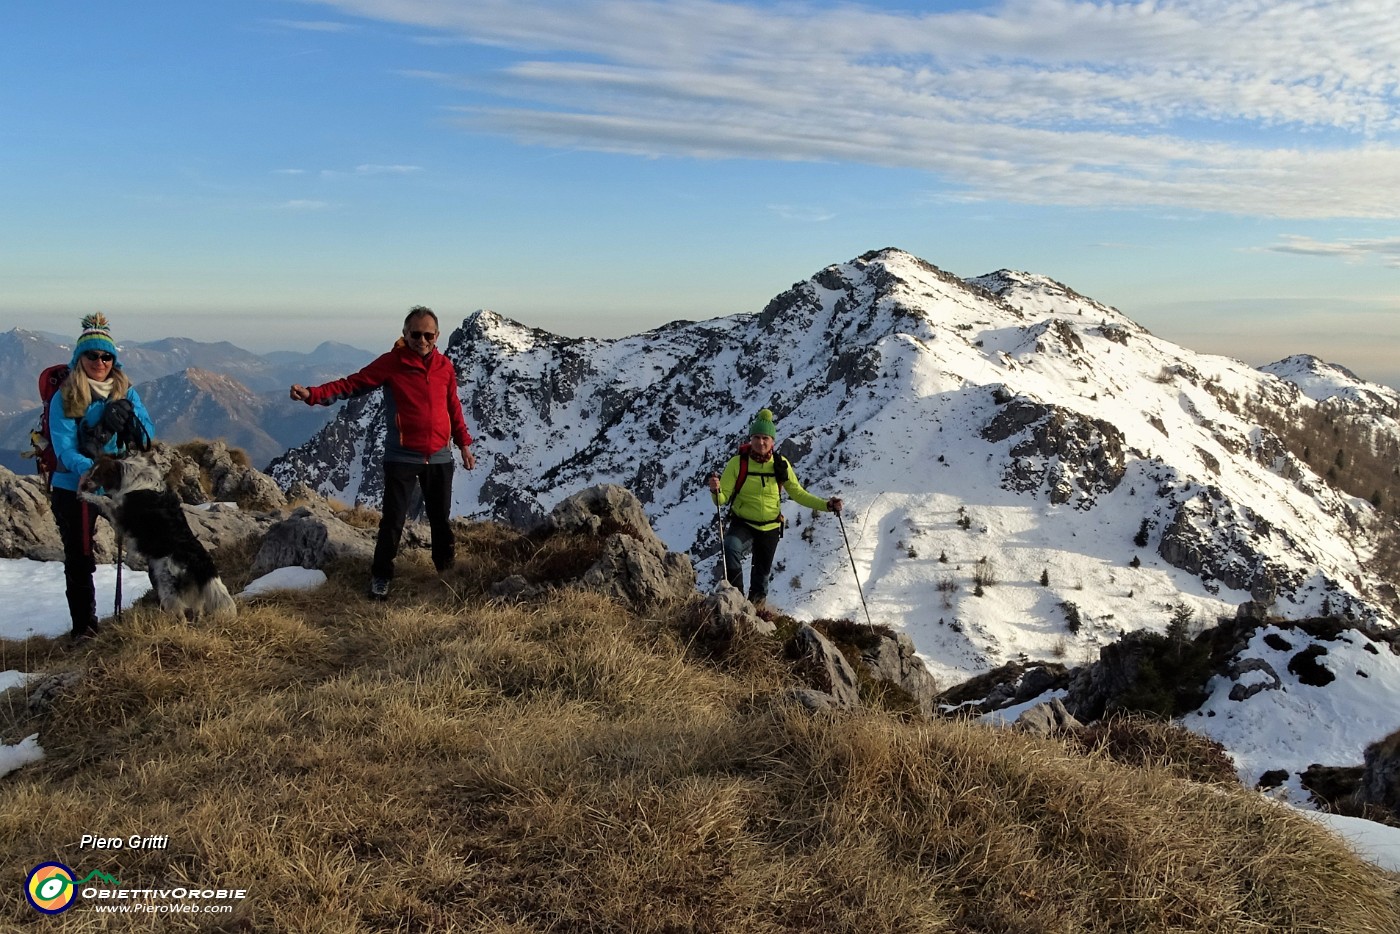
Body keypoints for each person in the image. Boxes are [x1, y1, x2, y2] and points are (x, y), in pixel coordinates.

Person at [290, 306, 475, 600]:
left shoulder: (445, 367)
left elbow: (453, 406)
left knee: (440, 519)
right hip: (401, 455)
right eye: (416, 334)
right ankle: (381, 577)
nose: (422, 340)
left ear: (437, 336)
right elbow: (352, 384)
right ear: (405, 334)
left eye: (428, 335)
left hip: (440, 456)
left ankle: (446, 573)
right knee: (393, 520)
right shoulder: (392, 363)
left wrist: (464, 444)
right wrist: (313, 395)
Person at [48, 313, 156, 641]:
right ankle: (85, 628)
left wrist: (133, 428)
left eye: (107, 355)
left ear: (114, 359)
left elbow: (148, 432)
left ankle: (167, 600)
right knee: (80, 557)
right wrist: (96, 470)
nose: (100, 361)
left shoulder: (125, 390)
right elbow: (64, 448)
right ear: (80, 358)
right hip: (76, 487)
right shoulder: (66, 396)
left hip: (120, 481)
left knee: (152, 539)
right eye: (92, 355)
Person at [707, 408, 843, 607]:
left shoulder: (780, 465)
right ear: (750, 438)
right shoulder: (737, 463)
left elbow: (798, 493)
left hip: (770, 527)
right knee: (730, 547)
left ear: (772, 441)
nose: (760, 442)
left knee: (761, 579)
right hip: (742, 523)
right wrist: (715, 490)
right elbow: (722, 499)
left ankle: (755, 613)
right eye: (756, 437)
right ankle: (735, 599)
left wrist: (826, 505)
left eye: (765, 438)